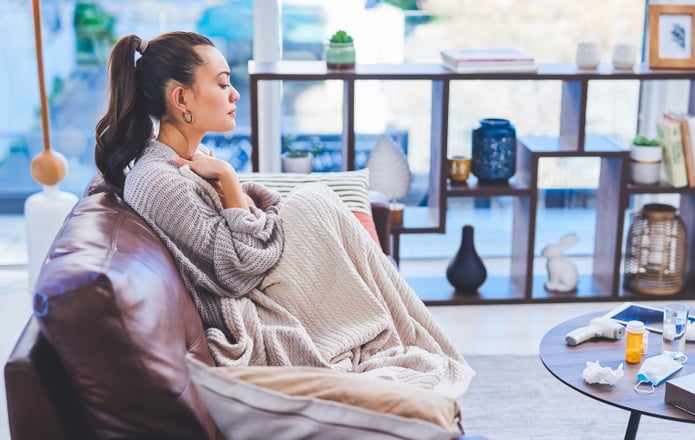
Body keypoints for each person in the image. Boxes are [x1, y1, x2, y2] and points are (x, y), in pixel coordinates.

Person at [94, 32, 473, 398]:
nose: (235, 94)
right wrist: (228, 179)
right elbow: (239, 267)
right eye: (223, 84)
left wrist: (236, 188)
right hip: (253, 306)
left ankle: (413, 336)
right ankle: (413, 339)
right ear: (181, 98)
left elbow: (250, 218)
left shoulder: (188, 160)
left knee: (314, 201)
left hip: (261, 273)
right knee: (312, 201)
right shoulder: (159, 180)